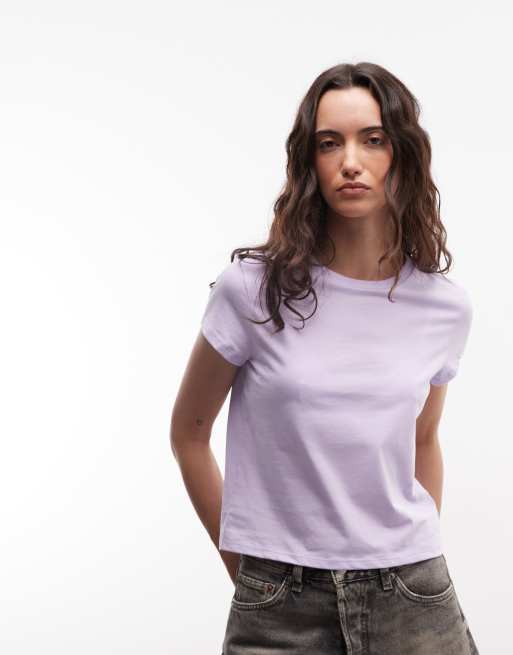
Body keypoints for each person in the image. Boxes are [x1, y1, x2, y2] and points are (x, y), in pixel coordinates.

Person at [171, 62, 480, 654]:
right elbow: (188, 434)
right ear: (308, 162)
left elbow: (423, 438)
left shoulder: (442, 307)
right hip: (279, 605)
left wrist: (409, 548)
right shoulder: (251, 291)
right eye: (329, 143)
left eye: (373, 139)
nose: (351, 161)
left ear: (402, 154)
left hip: (412, 596)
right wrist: (250, 573)